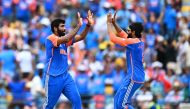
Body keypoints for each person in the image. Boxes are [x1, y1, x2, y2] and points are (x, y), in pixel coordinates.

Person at [43, 10, 94, 109]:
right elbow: (66, 38)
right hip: (53, 77)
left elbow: (82, 37)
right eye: (62, 26)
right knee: (49, 106)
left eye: (64, 26)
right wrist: (78, 26)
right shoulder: (50, 39)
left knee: (77, 102)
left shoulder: (65, 42)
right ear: (55, 28)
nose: (64, 28)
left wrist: (88, 25)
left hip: (66, 77)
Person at [107, 11, 145, 109]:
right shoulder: (137, 41)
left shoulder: (132, 42)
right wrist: (114, 23)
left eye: (129, 31)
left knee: (123, 104)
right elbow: (123, 34)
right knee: (116, 99)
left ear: (133, 33)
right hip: (132, 76)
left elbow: (112, 38)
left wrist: (108, 23)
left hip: (134, 77)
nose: (126, 32)